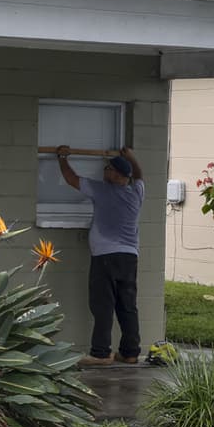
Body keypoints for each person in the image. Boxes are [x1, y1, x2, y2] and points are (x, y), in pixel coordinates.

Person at [56, 144, 145, 366]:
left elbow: (71, 179)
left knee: (103, 304)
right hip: (129, 257)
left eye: (107, 168)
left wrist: (62, 157)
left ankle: (101, 353)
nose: (104, 171)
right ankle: (130, 352)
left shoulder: (103, 190)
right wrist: (132, 158)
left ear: (116, 174)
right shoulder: (136, 193)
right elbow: (140, 175)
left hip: (106, 257)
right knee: (127, 305)